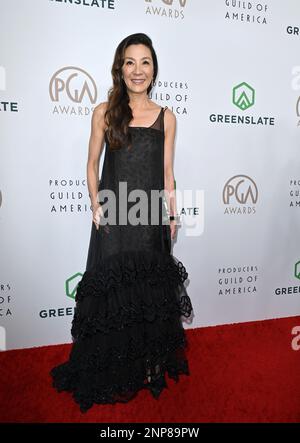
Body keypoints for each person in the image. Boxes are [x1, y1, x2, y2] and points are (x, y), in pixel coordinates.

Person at [50, 32, 193, 413]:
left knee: (147, 294)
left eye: (145, 62)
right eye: (130, 62)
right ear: (120, 67)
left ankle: (148, 363)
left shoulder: (167, 117)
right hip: (115, 216)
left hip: (148, 218)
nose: (138, 70)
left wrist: (174, 214)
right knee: (115, 297)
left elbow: (167, 173)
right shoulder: (103, 112)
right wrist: (96, 204)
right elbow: (91, 164)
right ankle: (113, 365)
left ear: (154, 68)